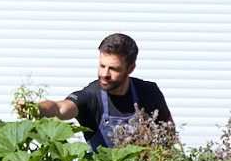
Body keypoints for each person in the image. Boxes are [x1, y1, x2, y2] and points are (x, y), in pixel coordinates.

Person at [35, 32, 173, 149]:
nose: (104, 74)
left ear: (130, 68)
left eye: (113, 69)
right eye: (102, 66)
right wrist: (35, 109)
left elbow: (169, 134)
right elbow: (59, 108)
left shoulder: (149, 92)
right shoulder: (90, 96)